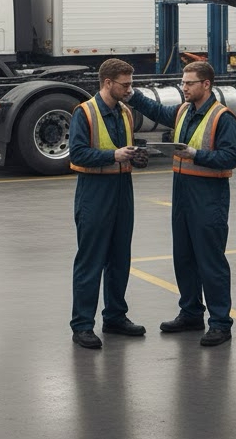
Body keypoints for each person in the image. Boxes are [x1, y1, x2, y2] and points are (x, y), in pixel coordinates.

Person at [126, 61, 236, 347]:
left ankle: (220, 323)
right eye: (183, 82)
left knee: (211, 262)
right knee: (185, 258)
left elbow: (230, 158)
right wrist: (133, 96)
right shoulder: (183, 111)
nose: (184, 87)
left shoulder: (221, 117)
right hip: (182, 195)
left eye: (189, 83)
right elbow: (157, 111)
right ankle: (191, 313)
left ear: (206, 85)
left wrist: (195, 154)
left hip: (208, 197)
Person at [69, 58, 147, 349]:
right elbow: (76, 154)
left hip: (122, 190)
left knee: (119, 258)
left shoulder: (125, 112)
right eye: (125, 84)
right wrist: (113, 156)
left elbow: (126, 150)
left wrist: (136, 158)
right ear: (107, 83)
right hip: (94, 192)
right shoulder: (84, 113)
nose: (129, 89)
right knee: (91, 260)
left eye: (130, 83)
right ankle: (82, 326)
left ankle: (115, 316)